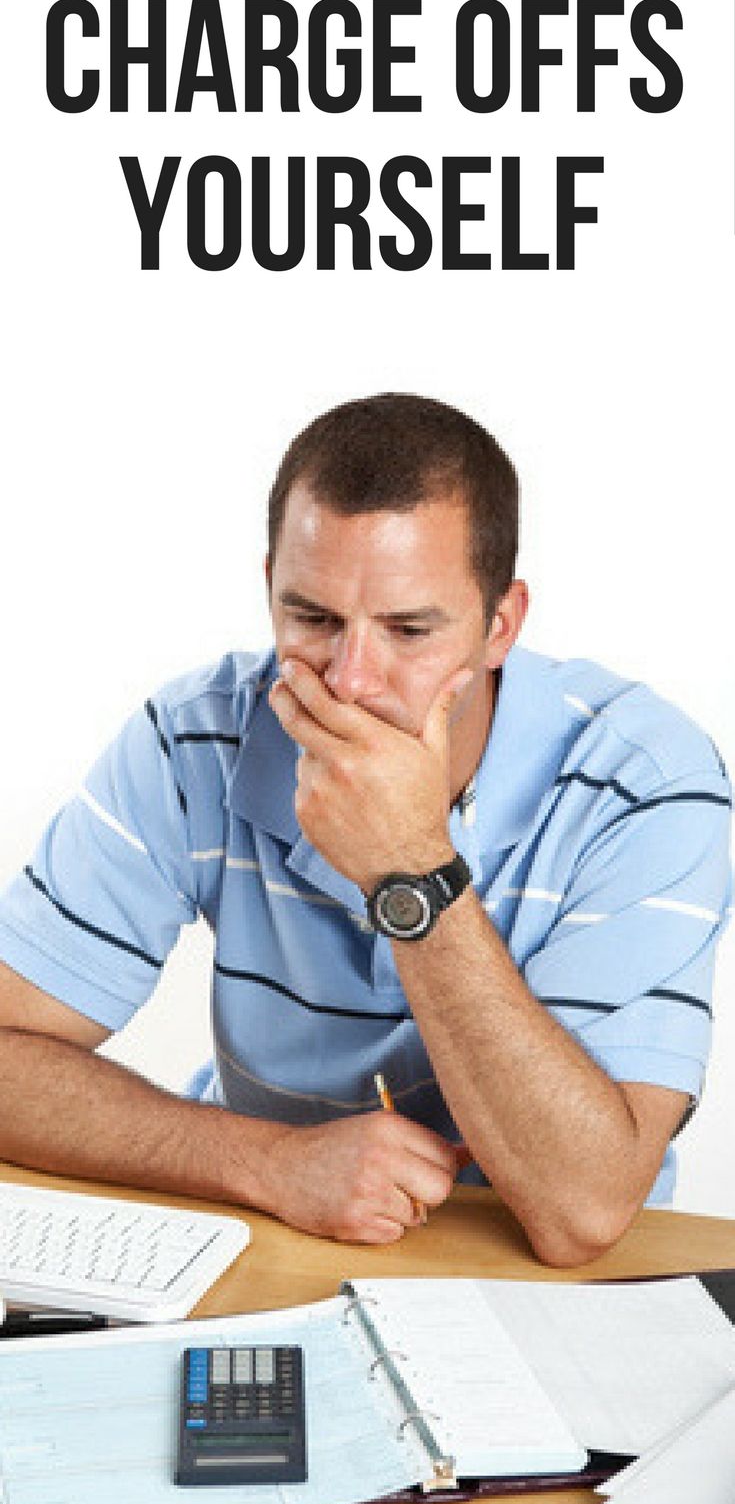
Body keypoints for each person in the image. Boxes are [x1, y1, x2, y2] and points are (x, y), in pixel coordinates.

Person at [0, 395, 731, 1265]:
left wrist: (411, 871)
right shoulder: (196, 736)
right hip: (280, 1238)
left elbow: (582, 1209)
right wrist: (268, 1162)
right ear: (269, 585)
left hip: (544, 1283)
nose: (349, 681)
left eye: (408, 630)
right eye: (312, 619)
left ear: (500, 625)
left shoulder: (645, 780)